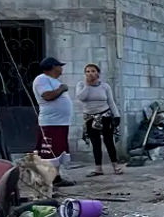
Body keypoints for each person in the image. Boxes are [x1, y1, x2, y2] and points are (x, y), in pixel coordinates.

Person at [32, 57, 75, 187]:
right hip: (51, 123)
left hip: (60, 123)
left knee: (57, 151)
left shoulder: (53, 81)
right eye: (59, 66)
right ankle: (46, 180)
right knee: (49, 153)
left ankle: (56, 178)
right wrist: (62, 88)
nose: (61, 68)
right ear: (53, 67)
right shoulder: (42, 79)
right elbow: (47, 96)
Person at [75, 63, 123, 176]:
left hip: (105, 115)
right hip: (90, 118)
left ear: (98, 73)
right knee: (95, 143)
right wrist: (88, 85)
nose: (90, 73)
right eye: (87, 71)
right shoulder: (81, 85)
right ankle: (98, 168)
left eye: (93, 71)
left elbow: (110, 101)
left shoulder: (105, 86)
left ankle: (116, 166)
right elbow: (81, 97)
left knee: (109, 141)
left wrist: (116, 115)